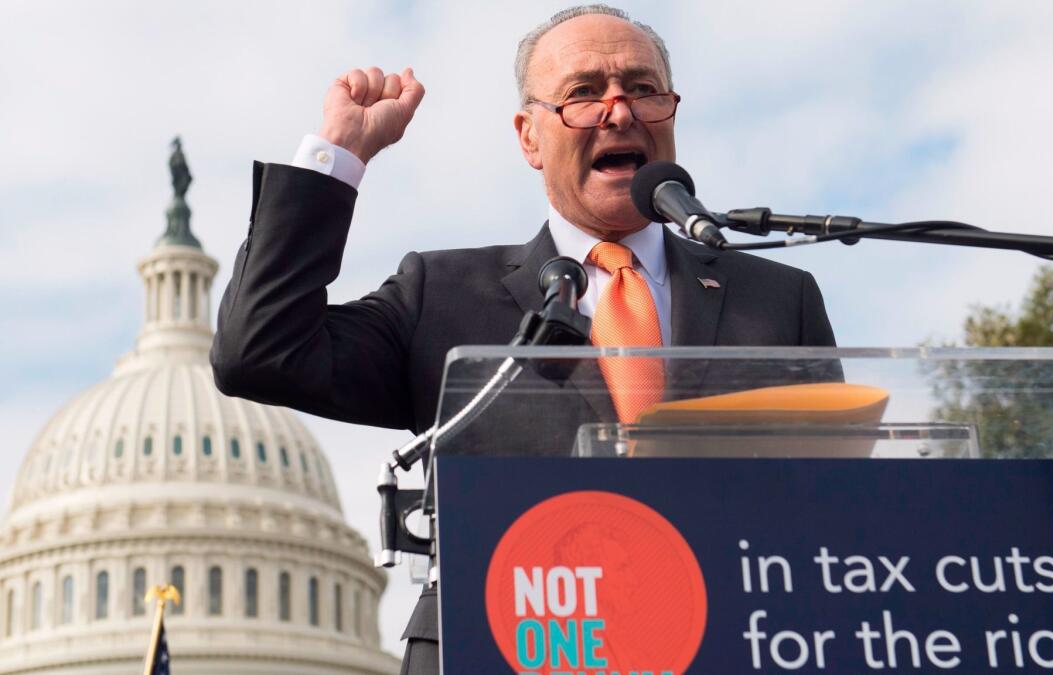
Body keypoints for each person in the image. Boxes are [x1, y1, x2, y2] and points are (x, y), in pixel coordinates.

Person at [210, 5, 836, 673]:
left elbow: (830, 512)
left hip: (731, 644)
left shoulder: (777, 301)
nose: (618, 111)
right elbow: (260, 350)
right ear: (529, 137)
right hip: (505, 645)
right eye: (584, 93)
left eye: (643, 88)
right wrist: (338, 155)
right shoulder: (442, 294)